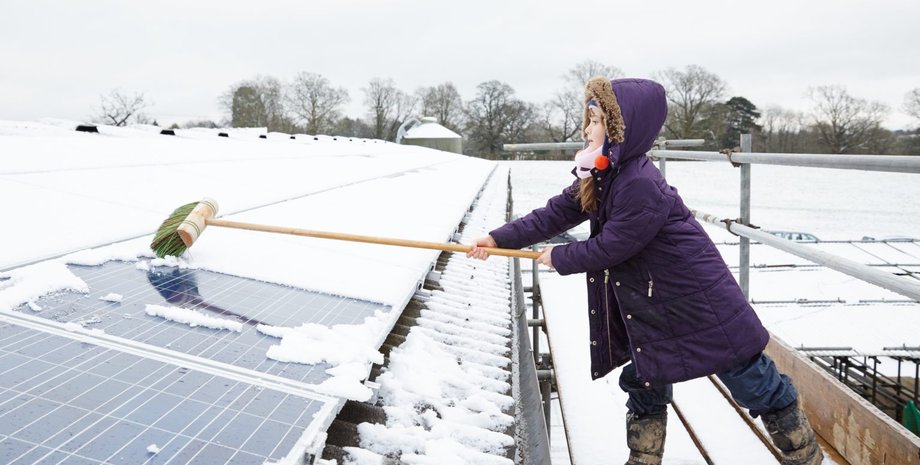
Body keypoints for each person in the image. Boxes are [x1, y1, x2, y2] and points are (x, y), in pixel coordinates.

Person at [467, 77, 822, 465]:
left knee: (748, 377)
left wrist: (561, 257)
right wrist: (498, 239)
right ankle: (644, 458)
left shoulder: (639, 183)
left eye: (597, 120)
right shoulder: (602, 174)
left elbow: (614, 245)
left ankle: (803, 455)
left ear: (621, 129)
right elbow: (555, 213)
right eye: (587, 119)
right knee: (644, 375)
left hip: (697, 299)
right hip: (654, 300)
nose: (587, 130)